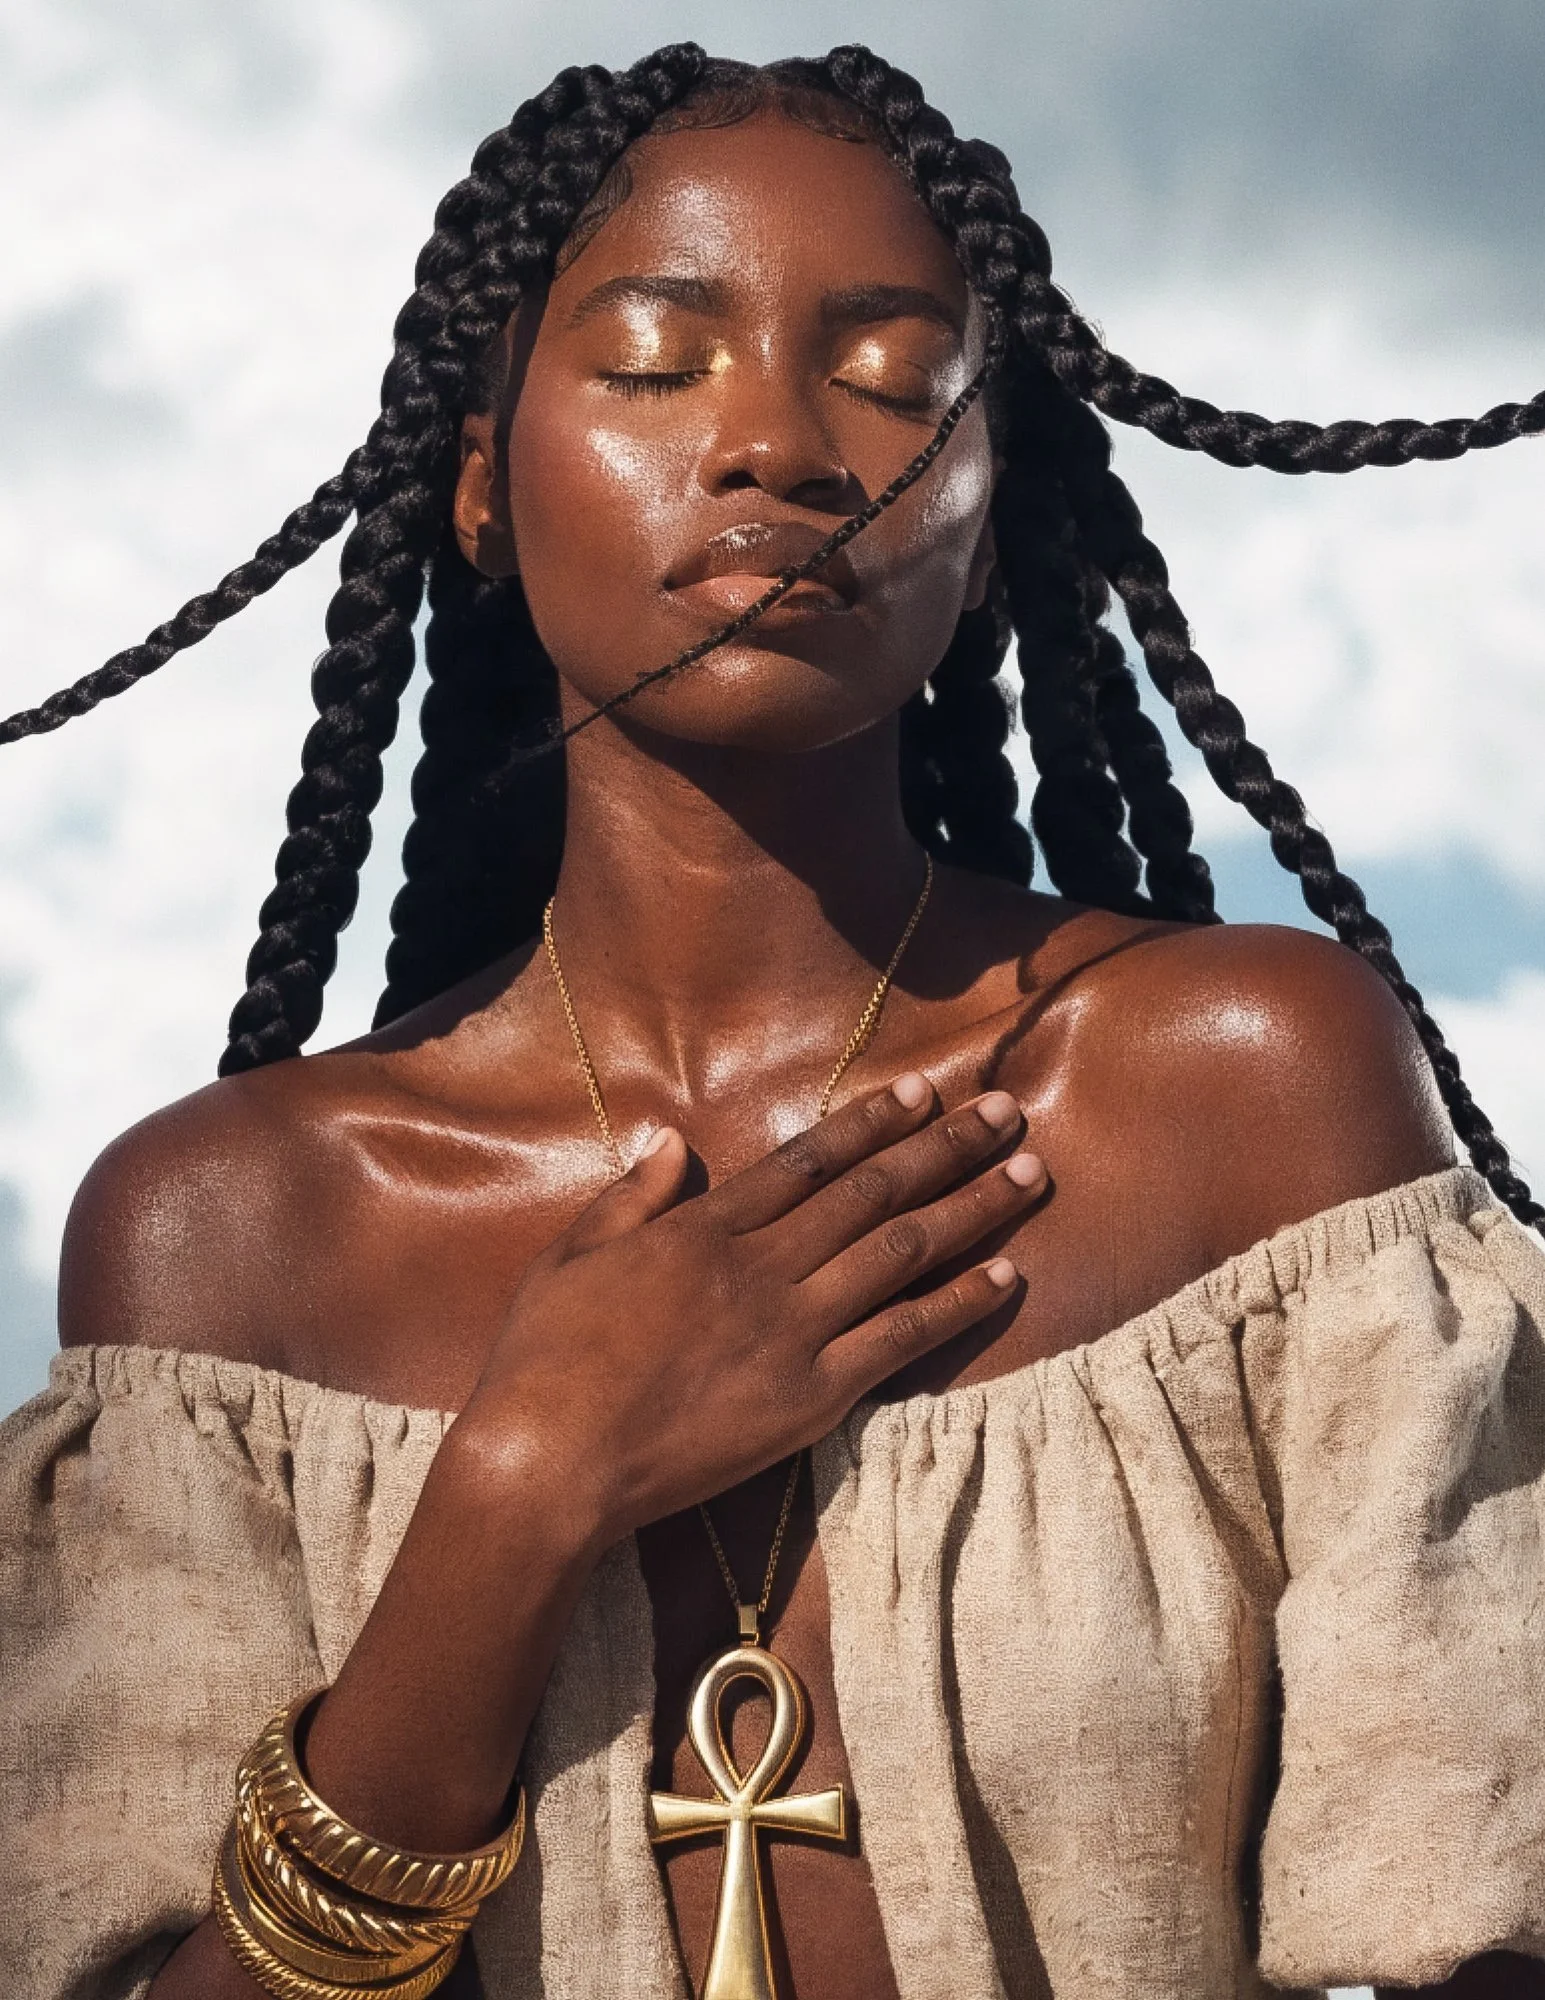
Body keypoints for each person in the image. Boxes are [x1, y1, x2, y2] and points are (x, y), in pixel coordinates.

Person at [1, 44, 1542, 2000]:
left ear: (983, 520)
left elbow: (1488, 1918)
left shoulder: (1245, 1093)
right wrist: (520, 1487)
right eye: (658, 363)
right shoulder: (234, 1235)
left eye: (892, 377)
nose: (777, 446)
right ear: (480, 486)